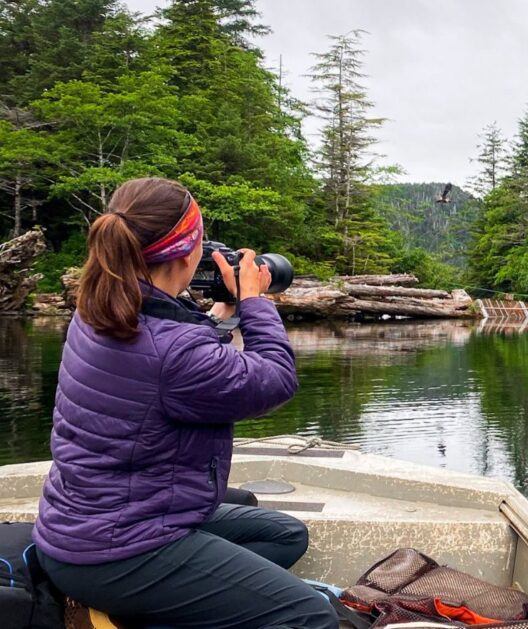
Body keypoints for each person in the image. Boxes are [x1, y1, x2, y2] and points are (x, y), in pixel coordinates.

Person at [31, 177, 337, 629]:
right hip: (118, 552)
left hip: (87, 526)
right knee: (311, 615)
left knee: (283, 535)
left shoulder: (98, 306)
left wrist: (222, 310)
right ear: (188, 252)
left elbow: (167, 346)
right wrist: (255, 301)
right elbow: (274, 379)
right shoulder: (172, 350)